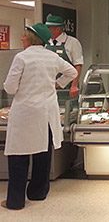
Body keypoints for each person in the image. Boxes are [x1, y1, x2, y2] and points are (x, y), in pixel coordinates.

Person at [2, 23, 77, 210]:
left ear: (30, 38)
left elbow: (10, 87)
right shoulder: (52, 57)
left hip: (25, 111)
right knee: (42, 152)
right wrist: (57, 84)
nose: (21, 38)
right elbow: (73, 72)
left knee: (19, 155)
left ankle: (15, 201)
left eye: (24, 36)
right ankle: (38, 193)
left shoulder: (22, 57)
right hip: (46, 112)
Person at [45, 14, 83, 98]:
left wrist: (74, 85)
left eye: (49, 28)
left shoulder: (72, 42)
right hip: (49, 87)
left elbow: (78, 65)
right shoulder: (46, 43)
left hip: (67, 87)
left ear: (57, 29)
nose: (47, 30)